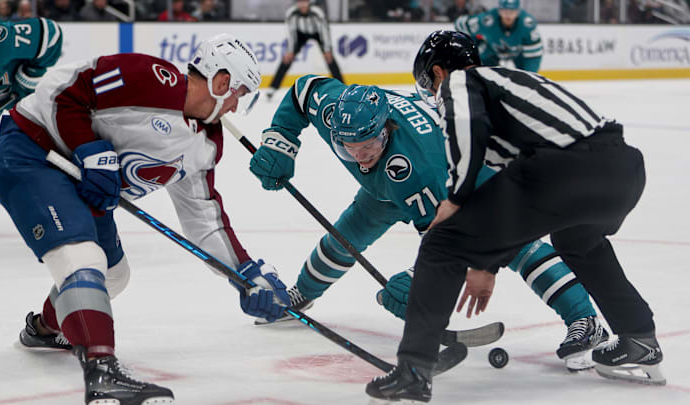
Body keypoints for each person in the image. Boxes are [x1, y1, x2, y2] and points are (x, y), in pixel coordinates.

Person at [0, 34, 291, 404]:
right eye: (239, 94)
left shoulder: (205, 143)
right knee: (84, 259)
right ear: (222, 82)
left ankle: (46, 329)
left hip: (79, 184)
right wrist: (91, 149)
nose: (236, 106)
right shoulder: (148, 77)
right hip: (33, 153)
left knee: (114, 275)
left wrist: (244, 273)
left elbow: (203, 218)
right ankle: (102, 371)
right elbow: (66, 89)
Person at [365, 30, 663, 402]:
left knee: (442, 242)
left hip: (569, 171)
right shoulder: (511, 84)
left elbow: (470, 142)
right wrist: (485, 263)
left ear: (438, 72)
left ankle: (413, 369)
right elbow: (513, 200)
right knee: (577, 240)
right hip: (623, 170)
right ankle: (639, 338)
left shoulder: (461, 81)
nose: (433, 93)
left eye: (429, 83)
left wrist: (455, 201)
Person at [248, 75, 610, 371]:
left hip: (471, 181)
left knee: (514, 244)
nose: (358, 157)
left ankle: (584, 319)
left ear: (385, 128)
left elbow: (451, 242)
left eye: (367, 146)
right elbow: (301, 90)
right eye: (347, 148)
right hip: (385, 190)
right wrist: (281, 141)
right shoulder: (338, 111)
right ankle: (302, 295)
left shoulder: (420, 168)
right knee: (345, 237)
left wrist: (420, 284)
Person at [0, 8, 62, 221]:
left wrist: (30, 76)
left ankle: (75, 187)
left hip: (17, 93)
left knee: (44, 138)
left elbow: (51, 34)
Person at [266, 0, 343, 101]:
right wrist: (290, 50)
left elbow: (324, 30)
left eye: (305, 2)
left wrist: (327, 49)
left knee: (330, 59)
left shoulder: (317, 12)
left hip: (318, 34)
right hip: (300, 35)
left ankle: (342, 88)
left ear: (309, 2)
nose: (302, 4)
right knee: (287, 59)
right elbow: (291, 33)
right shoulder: (291, 13)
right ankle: (273, 87)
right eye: (300, 2)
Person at [454, 0, 542, 72]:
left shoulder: (527, 24)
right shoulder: (487, 21)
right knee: (483, 74)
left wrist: (530, 76)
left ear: (518, 12)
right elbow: (460, 24)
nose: (508, 16)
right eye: (505, 11)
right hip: (491, 51)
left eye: (512, 11)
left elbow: (533, 56)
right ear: (499, 10)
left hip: (518, 54)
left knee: (527, 77)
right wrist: (474, 46)